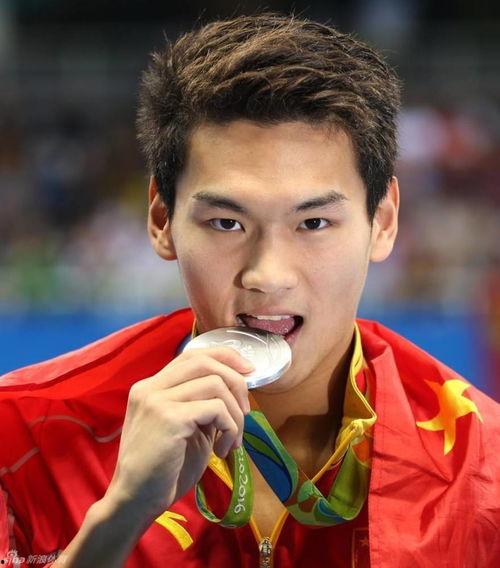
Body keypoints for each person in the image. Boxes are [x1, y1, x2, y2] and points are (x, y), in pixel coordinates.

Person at [0, 13, 498, 568]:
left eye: (313, 223)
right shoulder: (16, 437)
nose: (267, 274)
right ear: (162, 220)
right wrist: (118, 516)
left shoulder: (485, 469)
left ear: (382, 222)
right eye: (227, 223)